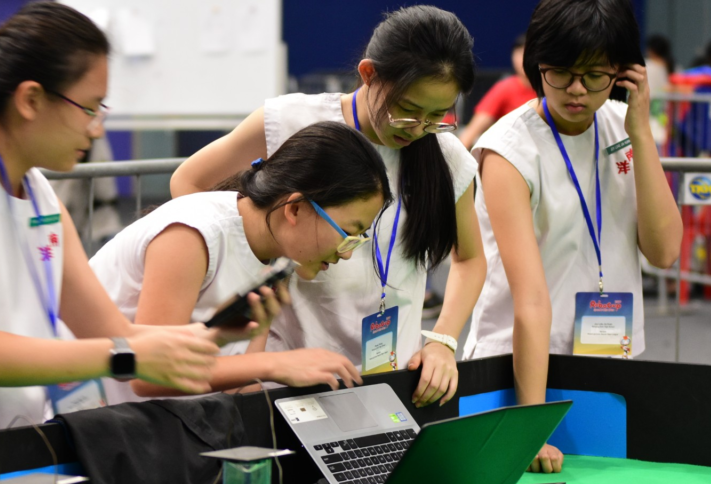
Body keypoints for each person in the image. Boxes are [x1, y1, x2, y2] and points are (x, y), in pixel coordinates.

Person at [0, 3, 276, 453]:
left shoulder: (39, 192)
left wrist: (211, 337)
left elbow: (112, 332)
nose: (97, 128)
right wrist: (128, 356)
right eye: (88, 107)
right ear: (30, 100)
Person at [171, 5, 486, 410]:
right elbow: (189, 182)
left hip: (391, 383)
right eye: (407, 110)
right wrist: (244, 272)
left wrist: (443, 340)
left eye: (435, 116)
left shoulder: (447, 159)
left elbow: (471, 259)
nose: (419, 128)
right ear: (369, 74)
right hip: (287, 377)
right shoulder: (289, 121)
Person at [463, 0, 682, 473]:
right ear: (536, 66)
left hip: (605, 363)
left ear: (623, 74)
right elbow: (532, 298)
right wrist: (530, 423)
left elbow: (664, 251)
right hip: (515, 375)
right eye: (560, 72)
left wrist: (641, 132)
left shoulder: (623, 131)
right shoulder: (509, 150)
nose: (576, 90)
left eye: (594, 75)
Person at [91, 121, 390, 404]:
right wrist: (275, 364)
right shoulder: (190, 235)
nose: (347, 252)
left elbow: (238, 383)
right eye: (348, 234)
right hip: (87, 424)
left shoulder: (277, 255)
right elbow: (148, 376)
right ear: (296, 209)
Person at [458, 34, 535, 149]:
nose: (523, 59)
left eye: (529, 53)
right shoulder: (505, 87)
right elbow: (471, 132)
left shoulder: (550, 90)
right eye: (518, 53)